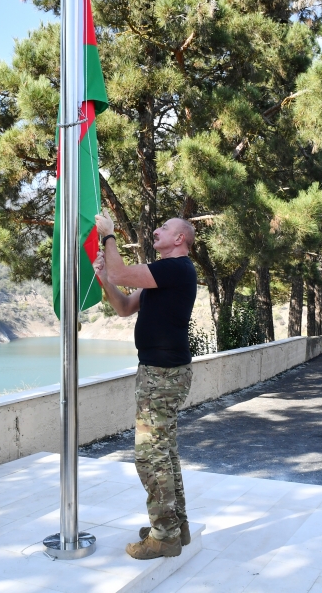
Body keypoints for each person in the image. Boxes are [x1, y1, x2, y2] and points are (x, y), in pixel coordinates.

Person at [92, 209, 197, 560]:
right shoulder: (162, 277)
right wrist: (107, 278)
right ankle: (174, 526)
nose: (156, 231)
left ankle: (164, 535)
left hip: (161, 374)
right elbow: (123, 307)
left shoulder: (176, 268)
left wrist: (108, 235)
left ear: (179, 239)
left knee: (148, 457)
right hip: (161, 372)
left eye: (164, 228)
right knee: (163, 451)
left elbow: (124, 271)